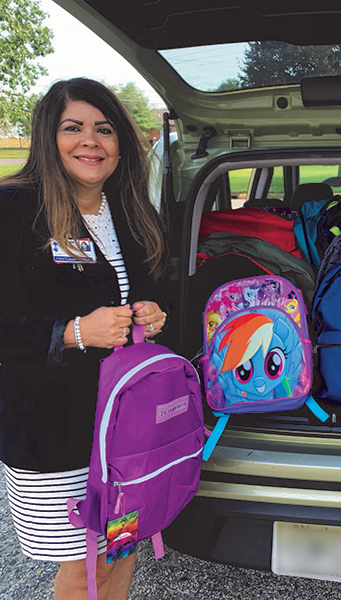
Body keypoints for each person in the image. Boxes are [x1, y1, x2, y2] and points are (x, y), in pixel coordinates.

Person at [0, 78, 169, 600]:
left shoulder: (130, 212)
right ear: (49, 138)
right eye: (73, 128)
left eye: (104, 129)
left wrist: (154, 315)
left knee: (122, 547)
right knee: (83, 565)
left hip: (125, 432)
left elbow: (144, 295)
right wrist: (74, 333)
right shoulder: (13, 211)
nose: (90, 141)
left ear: (121, 145)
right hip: (54, 432)